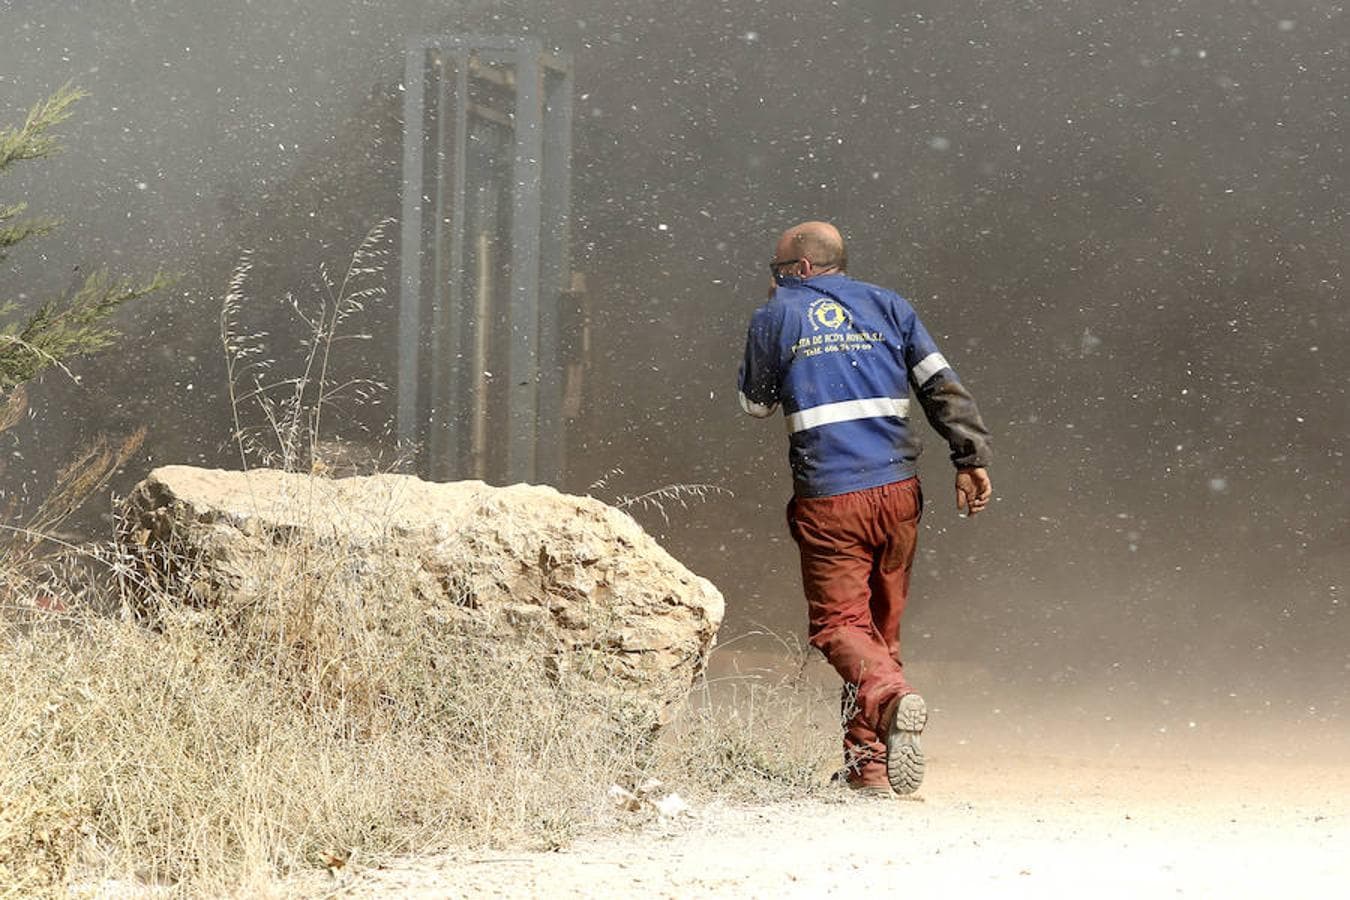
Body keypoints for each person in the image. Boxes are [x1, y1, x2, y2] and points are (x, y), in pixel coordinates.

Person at [737, 221, 992, 797]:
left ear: (800, 269)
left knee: (838, 627)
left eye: (777, 270)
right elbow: (941, 385)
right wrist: (969, 455)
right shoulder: (890, 305)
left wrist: (779, 336)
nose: (773, 280)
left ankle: (892, 699)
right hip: (899, 491)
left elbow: (756, 404)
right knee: (879, 634)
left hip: (831, 495)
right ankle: (870, 769)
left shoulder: (776, 315)